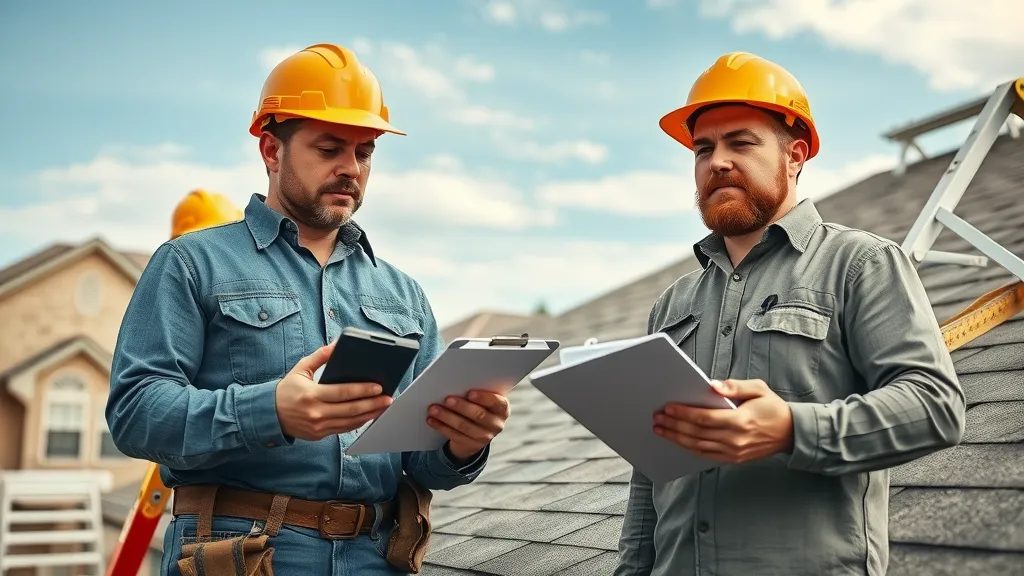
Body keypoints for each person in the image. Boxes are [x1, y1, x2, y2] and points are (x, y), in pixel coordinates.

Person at [107, 43, 509, 575]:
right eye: (329, 149)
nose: (351, 168)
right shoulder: (189, 264)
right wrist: (270, 410)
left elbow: (421, 462)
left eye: (364, 153)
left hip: (377, 557)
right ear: (271, 150)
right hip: (242, 555)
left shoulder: (404, 294)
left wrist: (462, 441)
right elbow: (135, 415)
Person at [614, 52, 966, 576]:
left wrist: (791, 430)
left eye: (741, 142)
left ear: (796, 154)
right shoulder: (672, 304)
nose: (717, 162)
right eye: (703, 148)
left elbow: (935, 406)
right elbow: (650, 473)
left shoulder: (861, 264)